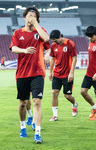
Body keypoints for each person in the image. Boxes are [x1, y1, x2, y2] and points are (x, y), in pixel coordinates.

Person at [9, 6, 50, 144]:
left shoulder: (40, 31)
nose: (31, 18)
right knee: (22, 103)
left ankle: (37, 134)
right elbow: (13, 48)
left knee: (37, 101)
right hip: (22, 73)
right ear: (25, 17)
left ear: (37, 19)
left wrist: (37, 24)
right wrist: (24, 51)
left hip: (38, 72)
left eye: (34, 16)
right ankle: (22, 127)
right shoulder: (17, 33)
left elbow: (46, 39)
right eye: (29, 15)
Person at [49, 30, 78, 121]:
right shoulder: (53, 46)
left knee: (67, 96)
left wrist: (71, 73)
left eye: (55, 40)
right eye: (53, 41)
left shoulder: (69, 43)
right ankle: (55, 115)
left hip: (67, 75)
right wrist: (50, 72)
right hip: (57, 74)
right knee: (54, 92)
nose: (54, 42)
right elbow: (53, 59)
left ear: (60, 36)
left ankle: (74, 104)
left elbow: (74, 58)